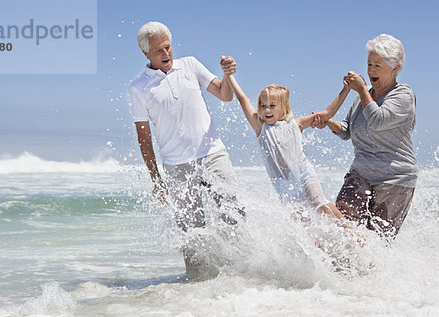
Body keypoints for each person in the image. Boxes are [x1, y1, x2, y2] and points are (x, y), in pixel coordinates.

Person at [128, 21, 243, 280]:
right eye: (158, 51)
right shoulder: (138, 88)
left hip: (213, 154)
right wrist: (155, 178)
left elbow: (225, 95)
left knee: (235, 213)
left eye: (168, 47)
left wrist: (228, 75)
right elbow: (143, 139)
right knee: (192, 232)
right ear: (146, 53)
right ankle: (197, 288)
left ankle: (237, 274)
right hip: (176, 166)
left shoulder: (191, 65)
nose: (166, 54)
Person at [313, 34, 418, 238]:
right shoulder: (364, 96)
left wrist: (361, 90)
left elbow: (378, 120)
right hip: (360, 175)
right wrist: (329, 123)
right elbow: (347, 131)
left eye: (378, 65)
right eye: (369, 64)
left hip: (395, 179)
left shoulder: (403, 96)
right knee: (341, 229)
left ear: (395, 68)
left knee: (376, 242)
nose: (370, 70)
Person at [223, 63, 349, 223]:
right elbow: (242, 99)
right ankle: (319, 248)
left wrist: (346, 89)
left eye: (272, 106)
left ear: (283, 107)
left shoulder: (296, 124)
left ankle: (352, 232)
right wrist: (229, 76)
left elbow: (326, 113)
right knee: (304, 223)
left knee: (319, 204)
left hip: (304, 174)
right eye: (263, 106)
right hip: (284, 185)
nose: (266, 110)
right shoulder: (260, 127)